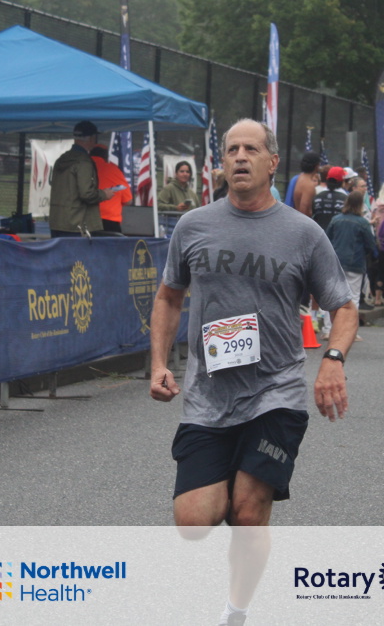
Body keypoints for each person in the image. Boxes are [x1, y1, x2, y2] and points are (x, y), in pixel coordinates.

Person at [149, 118, 356, 626]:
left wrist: (332, 361)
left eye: (251, 149)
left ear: (272, 162)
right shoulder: (193, 225)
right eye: (232, 149)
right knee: (194, 522)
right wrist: (157, 363)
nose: (240, 157)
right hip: (208, 396)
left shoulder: (303, 233)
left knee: (246, 511)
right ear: (222, 162)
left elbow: (344, 307)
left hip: (275, 393)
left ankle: (236, 611)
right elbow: (169, 296)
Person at [49, 121, 116, 237]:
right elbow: (86, 194)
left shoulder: (61, 159)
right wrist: (104, 194)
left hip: (57, 222)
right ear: (92, 138)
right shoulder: (83, 162)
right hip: (77, 223)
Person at [325, 190, 377, 340]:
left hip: (335, 262)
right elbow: (370, 245)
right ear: (361, 205)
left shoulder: (336, 219)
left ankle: (328, 329)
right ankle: (349, 332)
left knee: (332, 295)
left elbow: (327, 239)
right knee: (353, 297)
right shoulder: (362, 222)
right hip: (355, 262)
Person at [90, 144, 133, 232]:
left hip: (86, 219)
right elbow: (128, 201)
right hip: (110, 221)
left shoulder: (81, 168)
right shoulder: (114, 170)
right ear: (106, 157)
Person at [311, 166, 347, 231]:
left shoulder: (318, 196)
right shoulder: (345, 198)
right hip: (337, 234)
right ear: (342, 181)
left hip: (319, 233)